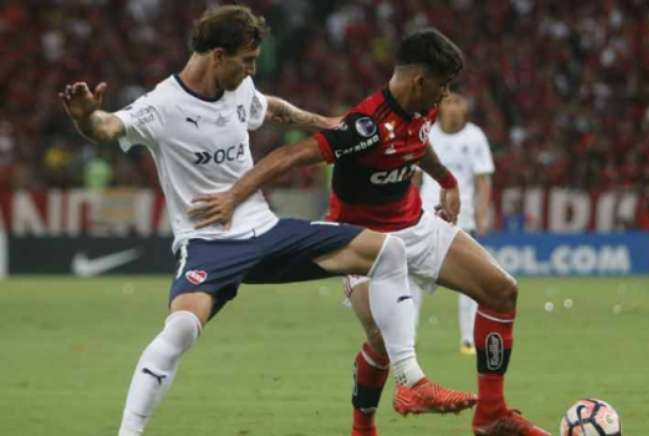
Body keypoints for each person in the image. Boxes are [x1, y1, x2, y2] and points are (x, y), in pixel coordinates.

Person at [59, 6, 466, 436]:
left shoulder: (239, 88)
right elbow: (107, 128)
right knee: (180, 329)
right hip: (209, 243)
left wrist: (326, 123)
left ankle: (410, 381)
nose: (253, 69)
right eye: (246, 60)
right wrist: (86, 117)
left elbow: (271, 108)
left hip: (266, 231)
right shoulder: (162, 106)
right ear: (217, 55)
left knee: (389, 250)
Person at [190, 28, 550, 436]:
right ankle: (364, 428)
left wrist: (447, 180)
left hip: (415, 225)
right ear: (419, 80)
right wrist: (232, 198)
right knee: (382, 338)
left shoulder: (421, 108)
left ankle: (491, 415)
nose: (445, 96)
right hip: (360, 243)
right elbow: (288, 156)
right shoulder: (365, 127)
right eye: (442, 86)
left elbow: (418, 143)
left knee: (502, 291)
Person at [415, 91, 495, 356]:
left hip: (464, 216)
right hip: (426, 215)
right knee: (413, 277)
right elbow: (413, 176)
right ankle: (408, 337)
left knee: (470, 278)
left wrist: (483, 214)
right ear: (439, 106)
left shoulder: (475, 137)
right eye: (447, 102)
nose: (452, 107)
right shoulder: (425, 133)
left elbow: (483, 180)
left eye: (457, 101)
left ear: (465, 107)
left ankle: (468, 340)